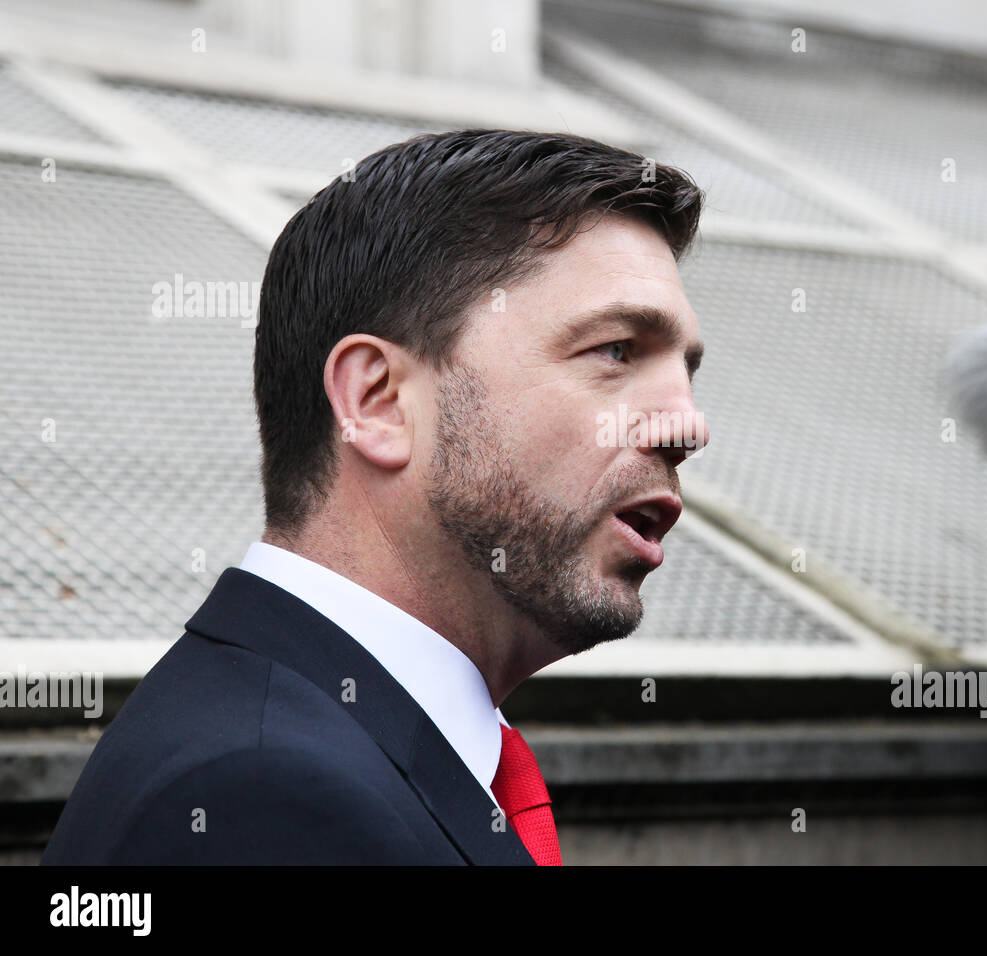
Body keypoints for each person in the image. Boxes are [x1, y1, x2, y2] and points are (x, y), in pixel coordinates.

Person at [41, 129, 710, 865]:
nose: (688, 425)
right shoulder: (259, 797)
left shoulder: (325, 743)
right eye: (616, 350)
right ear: (380, 402)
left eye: (688, 371)